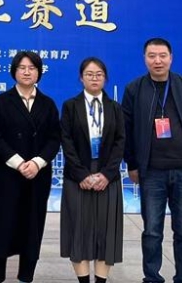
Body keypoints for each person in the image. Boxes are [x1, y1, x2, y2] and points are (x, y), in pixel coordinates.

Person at [122, 38, 182, 283]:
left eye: (162, 55)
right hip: (152, 172)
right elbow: (126, 129)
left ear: (171, 58)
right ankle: (152, 278)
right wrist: (132, 164)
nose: (157, 61)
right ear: (144, 59)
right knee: (152, 232)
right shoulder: (134, 89)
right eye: (152, 56)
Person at [0, 50, 61, 283]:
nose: (27, 72)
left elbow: (54, 139)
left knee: (32, 228)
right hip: (8, 175)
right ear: (14, 71)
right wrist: (19, 163)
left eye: (32, 68)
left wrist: (37, 163)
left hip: (37, 176)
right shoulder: (1, 102)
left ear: (39, 72)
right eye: (22, 68)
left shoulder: (48, 104)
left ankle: (25, 277)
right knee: (1, 228)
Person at [60, 57, 125, 283]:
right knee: (79, 231)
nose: (94, 78)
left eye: (99, 74)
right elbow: (66, 141)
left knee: (106, 233)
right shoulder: (70, 106)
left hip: (107, 176)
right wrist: (81, 174)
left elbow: (120, 142)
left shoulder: (115, 108)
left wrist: (107, 174)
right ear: (81, 78)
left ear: (105, 78)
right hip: (77, 176)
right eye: (89, 74)